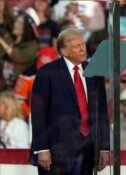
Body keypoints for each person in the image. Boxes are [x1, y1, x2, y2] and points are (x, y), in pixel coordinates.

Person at [30, 28, 110, 175]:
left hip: (88, 150)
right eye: (76, 46)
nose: (82, 49)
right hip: (55, 152)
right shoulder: (47, 73)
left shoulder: (95, 72)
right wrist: (42, 148)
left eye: (83, 44)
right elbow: (38, 114)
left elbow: (102, 111)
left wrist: (104, 147)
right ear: (64, 51)